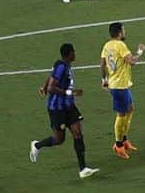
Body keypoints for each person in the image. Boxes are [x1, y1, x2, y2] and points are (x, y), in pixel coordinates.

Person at [30, 43, 99, 179]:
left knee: (77, 132)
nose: (75, 54)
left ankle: (83, 168)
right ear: (69, 54)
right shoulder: (62, 66)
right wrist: (70, 92)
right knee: (59, 139)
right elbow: (51, 87)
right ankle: (37, 145)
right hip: (57, 109)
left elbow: (51, 77)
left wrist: (43, 86)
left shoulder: (63, 65)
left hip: (69, 107)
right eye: (74, 51)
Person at [100, 21, 145, 159]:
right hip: (119, 86)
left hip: (120, 84)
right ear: (119, 33)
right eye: (124, 30)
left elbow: (102, 64)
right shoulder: (120, 45)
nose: (125, 32)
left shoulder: (107, 45)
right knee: (121, 114)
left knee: (130, 108)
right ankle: (118, 145)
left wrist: (104, 80)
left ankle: (124, 139)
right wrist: (140, 51)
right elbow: (132, 61)